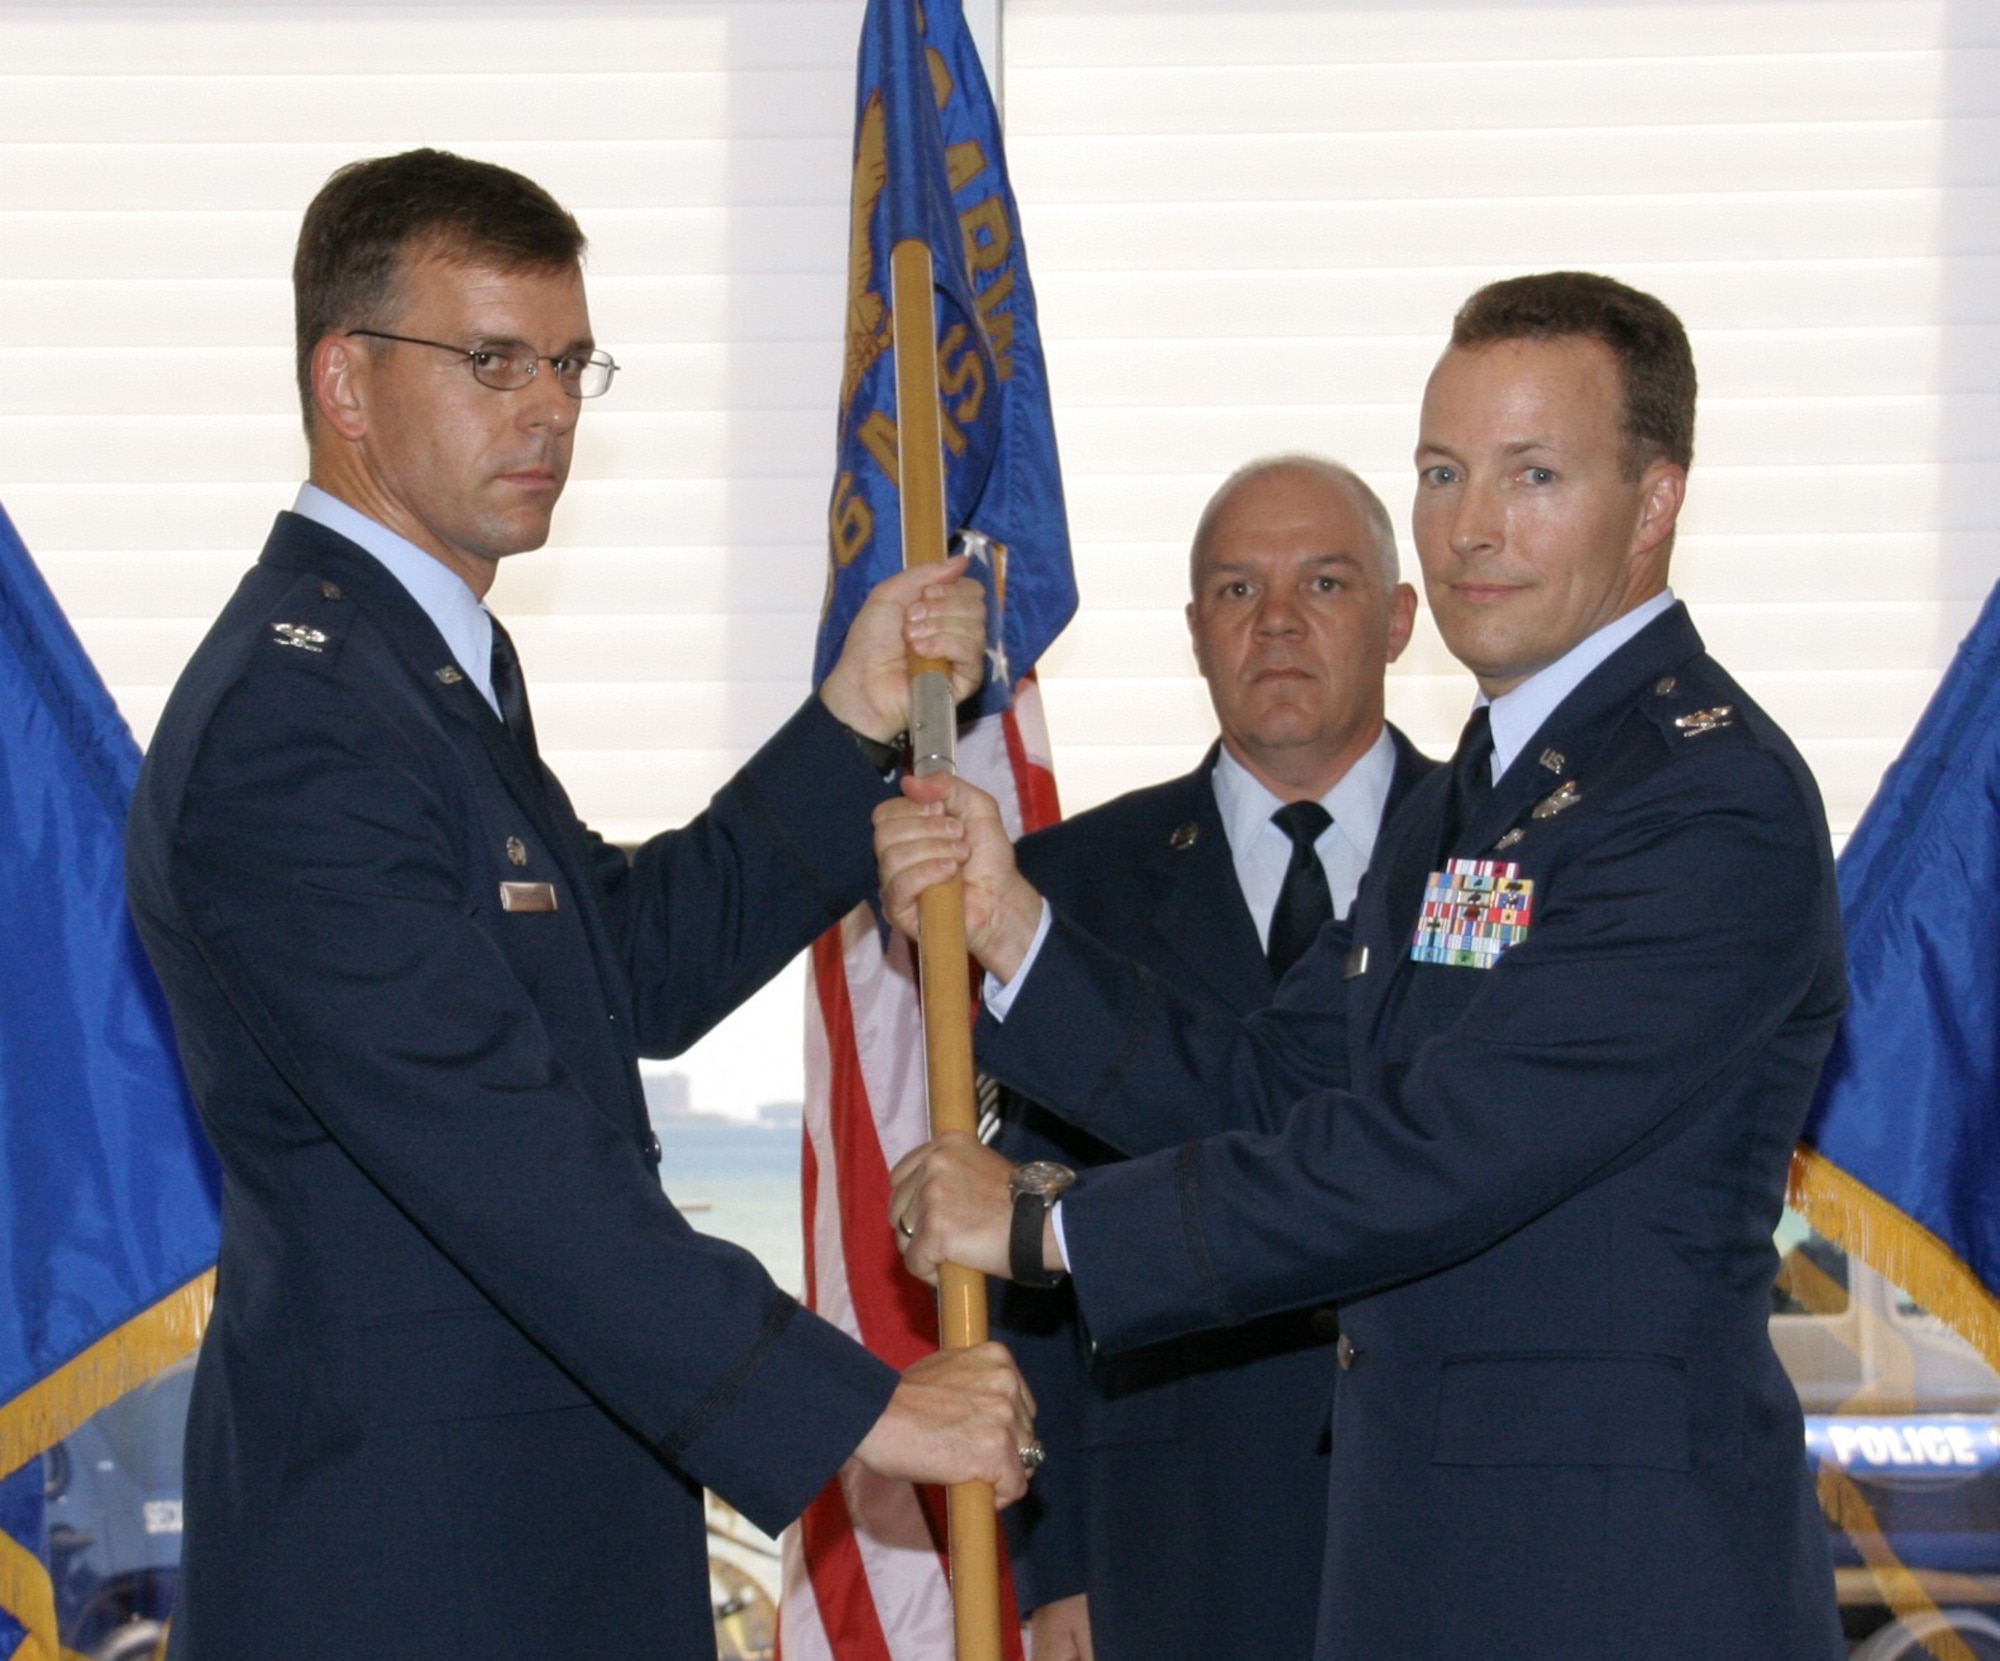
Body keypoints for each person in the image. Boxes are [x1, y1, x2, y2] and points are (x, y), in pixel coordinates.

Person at [124, 148, 1035, 1661]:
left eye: (568, 363)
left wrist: (854, 717)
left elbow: (621, 962)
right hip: (411, 1572)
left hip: (528, 1540)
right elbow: (507, 1159)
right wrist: (858, 1402)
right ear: (345, 384)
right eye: (493, 361)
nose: (549, 407)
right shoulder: (296, 723)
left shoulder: (416, 675)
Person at [877, 272, 1847, 1660]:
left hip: (1615, 1594)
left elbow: (1438, 1151)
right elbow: (1290, 1080)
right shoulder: (1483, 796)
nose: (1472, 528)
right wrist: (1009, 923)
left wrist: (1049, 1227)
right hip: (1421, 1580)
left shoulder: (1704, 803)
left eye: (1535, 474)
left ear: (1653, 504)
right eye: (1445, 472)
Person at [995, 455, 1431, 1661]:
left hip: (1440, 1512)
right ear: (1195, 631)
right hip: (1164, 1534)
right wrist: (1056, 1556)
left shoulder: (1491, 861)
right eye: (1237, 590)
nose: (1277, 620)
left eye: (1324, 583)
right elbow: (1023, 1240)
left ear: (1397, 618)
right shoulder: (1061, 890)